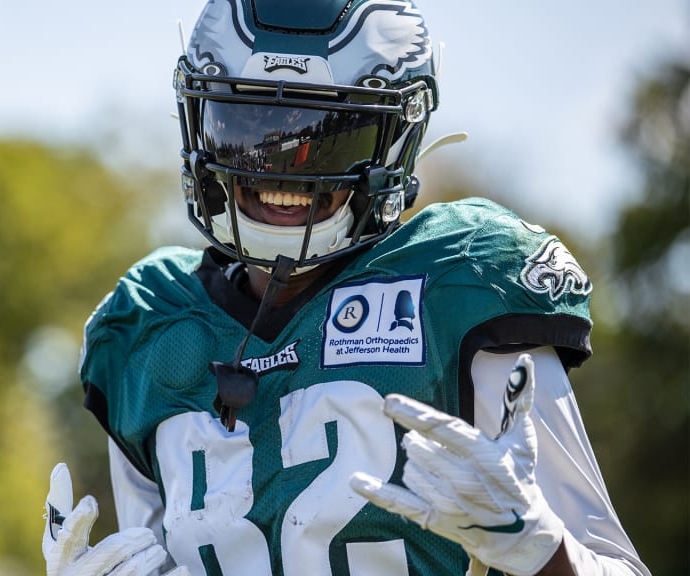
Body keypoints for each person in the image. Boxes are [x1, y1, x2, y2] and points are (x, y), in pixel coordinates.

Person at [41, 1, 652, 575]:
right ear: (200, 120)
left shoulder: (458, 287)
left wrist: (540, 550)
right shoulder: (149, 324)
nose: (282, 163)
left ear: (394, 139)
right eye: (248, 123)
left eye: (329, 132)